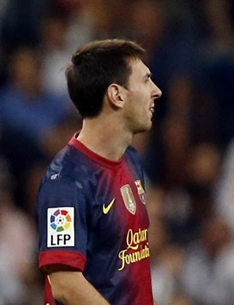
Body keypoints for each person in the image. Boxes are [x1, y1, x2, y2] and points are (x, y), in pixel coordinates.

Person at [36, 39, 162, 304]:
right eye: (146, 81)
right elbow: (65, 284)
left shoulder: (130, 159)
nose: (157, 91)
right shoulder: (66, 182)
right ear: (117, 95)